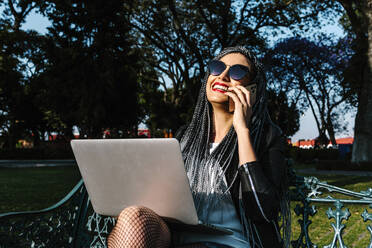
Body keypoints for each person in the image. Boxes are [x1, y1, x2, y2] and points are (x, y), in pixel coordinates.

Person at [107, 46, 290, 248]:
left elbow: (263, 212)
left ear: (252, 90)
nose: (224, 75)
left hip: (233, 243)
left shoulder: (266, 137)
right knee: (134, 217)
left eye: (238, 71)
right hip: (175, 238)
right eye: (217, 67)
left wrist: (242, 130)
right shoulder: (185, 136)